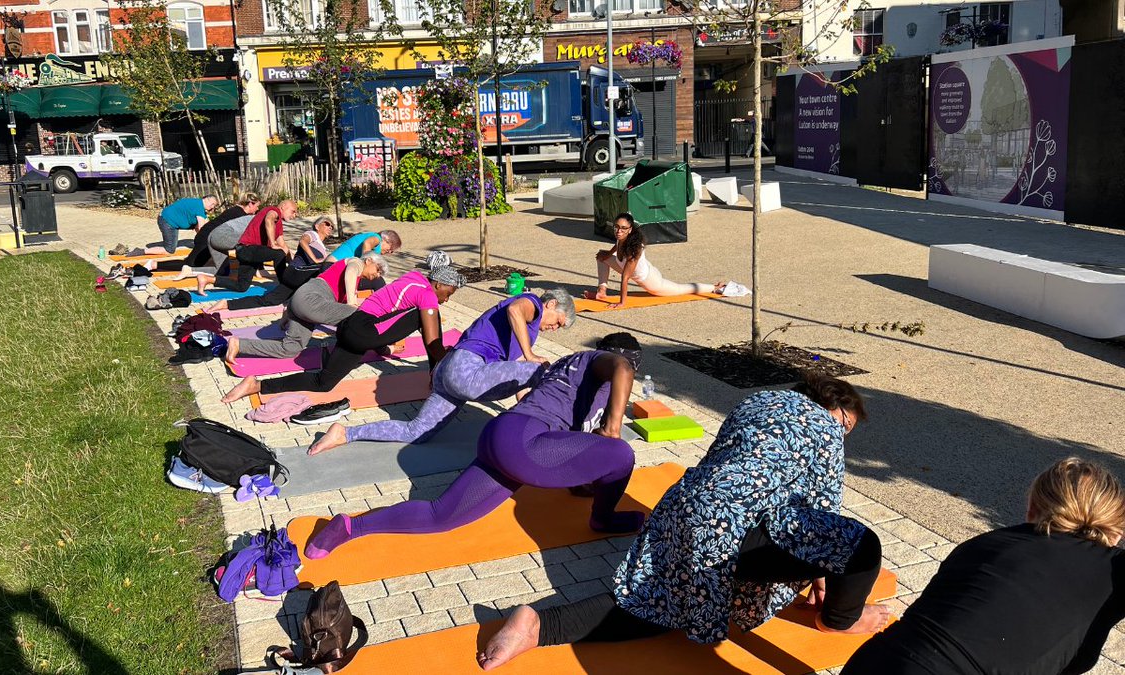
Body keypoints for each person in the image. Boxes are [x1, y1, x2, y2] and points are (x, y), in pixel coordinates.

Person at [478, 373, 888, 671]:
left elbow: (732, 469)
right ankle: (840, 620)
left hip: (683, 511)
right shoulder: (825, 426)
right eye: (845, 425)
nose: (843, 434)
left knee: (660, 601)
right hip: (733, 528)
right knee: (863, 546)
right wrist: (825, 574)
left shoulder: (756, 403)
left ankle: (539, 625)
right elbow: (824, 513)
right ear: (833, 409)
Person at [300, 332, 648, 561]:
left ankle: (349, 527)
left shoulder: (568, 369)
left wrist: (584, 479)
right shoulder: (602, 361)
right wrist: (613, 427)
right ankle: (602, 519)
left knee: (442, 515)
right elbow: (620, 367)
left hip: (502, 438)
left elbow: (565, 445)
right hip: (523, 444)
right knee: (620, 454)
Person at [843, 457, 1125, 675]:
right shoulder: (1113, 570)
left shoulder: (984, 544)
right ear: (1117, 531)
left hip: (874, 663)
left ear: (1031, 510)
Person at [307, 288, 578, 453]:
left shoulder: (526, 334)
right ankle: (573, 422)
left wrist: (526, 411)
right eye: (558, 322)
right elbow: (516, 312)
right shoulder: (530, 302)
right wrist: (530, 356)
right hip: (465, 370)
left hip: (447, 376)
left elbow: (519, 380)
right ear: (551, 305)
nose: (554, 328)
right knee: (544, 367)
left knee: (417, 432)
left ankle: (345, 433)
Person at [221, 265, 466, 403]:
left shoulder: (412, 277)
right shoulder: (427, 295)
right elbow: (433, 343)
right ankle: (437, 377)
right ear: (437, 284)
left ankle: (256, 385)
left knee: (324, 383)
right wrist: (449, 362)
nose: (447, 298)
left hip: (352, 328)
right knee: (427, 318)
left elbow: (388, 315)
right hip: (363, 333)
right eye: (449, 292)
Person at [222, 253, 388, 363]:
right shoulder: (356, 262)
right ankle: (382, 347)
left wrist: (289, 312)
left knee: (290, 349)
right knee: (360, 316)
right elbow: (351, 271)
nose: (377, 275)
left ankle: (239, 345)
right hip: (311, 298)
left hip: (302, 302)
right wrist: (352, 301)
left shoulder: (357, 278)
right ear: (369, 261)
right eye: (378, 270)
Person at [586, 213, 733, 309]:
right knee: (601, 257)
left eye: (623, 228)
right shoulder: (621, 237)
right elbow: (617, 245)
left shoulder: (634, 248)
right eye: (617, 227)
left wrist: (622, 302)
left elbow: (625, 278)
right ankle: (602, 292)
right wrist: (609, 253)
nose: (619, 231)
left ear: (630, 230)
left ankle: (714, 287)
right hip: (629, 269)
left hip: (651, 281)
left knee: (681, 289)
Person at [203, 215, 337, 313]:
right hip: (297, 272)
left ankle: (226, 304)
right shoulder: (311, 234)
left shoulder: (323, 248)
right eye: (327, 223)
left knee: (269, 300)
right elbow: (303, 241)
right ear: (317, 225)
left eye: (332, 226)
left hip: (296, 278)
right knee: (328, 266)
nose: (330, 227)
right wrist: (315, 260)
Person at [142, 193, 262, 276]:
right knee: (189, 264)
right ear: (250, 204)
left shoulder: (238, 211)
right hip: (207, 237)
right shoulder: (239, 214)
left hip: (214, 237)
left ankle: (201, 269)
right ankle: (153, 264)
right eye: (257, 207)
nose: (257, 210)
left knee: (223, 271)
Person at [197, 199, 296, 295]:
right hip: (247, 249)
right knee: (278, 254)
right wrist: (273, 244)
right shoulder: (274, 211)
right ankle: (285, 286)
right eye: (293, 211)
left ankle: (207, 279)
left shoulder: (278, 224)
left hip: (249, 253)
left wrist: (295, 264)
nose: (294, 215)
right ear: (283, 207)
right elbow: (269, 220)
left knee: (242, 286)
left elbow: (283, 246)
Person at [145, 195, 219, 255]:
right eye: (213, 204)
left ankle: (204, 243)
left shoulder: (198, 203)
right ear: (207, 200)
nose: (212, 207)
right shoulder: (199, 208)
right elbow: (202, 228)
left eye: (214, 206)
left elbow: (207, 225)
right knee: (169, 250)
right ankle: (142, 251)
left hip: (166, 218)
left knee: (200, 226)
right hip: (167, 221)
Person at [323, 230, 401, 263]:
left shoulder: (375, 242)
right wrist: (366, 262)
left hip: (336, 264)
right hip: (333, 265)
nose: (390, 252)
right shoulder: (377, 238)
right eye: (391, 248)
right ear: (386, 240)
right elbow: (367, 243)